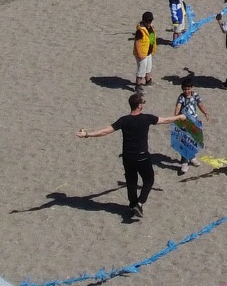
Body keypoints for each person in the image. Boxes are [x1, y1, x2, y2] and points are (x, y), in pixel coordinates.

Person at [76, 92, 184, 221]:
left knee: (131, 182)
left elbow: (105, 131)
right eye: (142, 103)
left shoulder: (124, 120)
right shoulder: (146, 118)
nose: (143, 105)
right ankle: (139, 203)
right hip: (142, 156)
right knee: (149, 180)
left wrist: (87, 134)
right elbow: (166, 120)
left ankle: (132, 206)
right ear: (138, 106)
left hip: (128, 157)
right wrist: (180, 117)